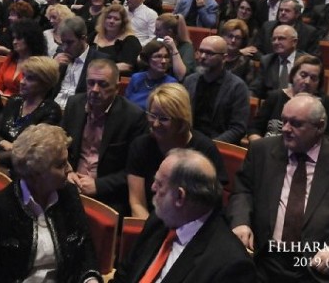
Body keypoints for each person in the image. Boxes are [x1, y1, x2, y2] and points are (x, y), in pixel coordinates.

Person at [228, 95, 329, 282]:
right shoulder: (262, 150)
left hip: (319, 269)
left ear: (320, 126)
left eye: (296, 123)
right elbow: (243, 191)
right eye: (284, 121)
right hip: (263, 260)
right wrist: (240, 221)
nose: (285, 129)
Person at [0, 124, 103, 282]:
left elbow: (84, 247)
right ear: (35, 175)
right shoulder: (1, 208)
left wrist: (90, 279)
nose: (69, 169)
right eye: (60, 165)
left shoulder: (68, 194)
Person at [112, 149, 255, 283]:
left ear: (180, 197)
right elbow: (123, 277)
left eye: (160, 184)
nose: (153, 187)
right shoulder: (158, 221)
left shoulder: (231, 265)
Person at [126, 83, 227, 219]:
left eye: (164, 118)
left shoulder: (204, 149)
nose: (155, 124)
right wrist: (150, 234)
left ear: (181, 120)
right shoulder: (141, 146)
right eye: (152, 115)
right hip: (150, 221)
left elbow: (210, 207)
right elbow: (137, 203)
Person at [62, 58, 146, 215]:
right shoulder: (74, 104)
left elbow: (135, 171)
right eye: (90, 82)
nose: (94, 89)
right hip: (69, 183)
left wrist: (98, 185)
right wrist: (67, 171)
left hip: (108, 194)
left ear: (116, 88)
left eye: (103, 84)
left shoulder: (133, 117)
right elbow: (59, 147)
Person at [0, 56, 62, 167]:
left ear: (45, 84)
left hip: (23, 169)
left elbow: (31, 152)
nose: (22, 82)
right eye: (23, 76)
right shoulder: (15, 101)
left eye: (29, 78)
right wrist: (5, 144)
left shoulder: (50, 110)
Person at [248, 54, 329, 142]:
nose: (307, 81)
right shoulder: (275, 97)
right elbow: (254, 129)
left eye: (313, 78)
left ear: (319, 82)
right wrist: (261, 148)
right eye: (303, 75)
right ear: (293, 75)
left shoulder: (324, 103)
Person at [183, 35, 250, 144]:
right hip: (189, 141)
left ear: (224, 58)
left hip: (218, 146)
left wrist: (211, 145)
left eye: (209, 53)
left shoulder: (237, 87)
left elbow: (238, 129)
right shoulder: (190, 81)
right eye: (200, 51)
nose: (203, 56)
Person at [0, 18, 48, 98]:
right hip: (2, 99)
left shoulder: (40, 64)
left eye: (19, 38)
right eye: (14, 38)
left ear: (30, 39)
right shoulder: (11, 57)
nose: (14, 42)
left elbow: (34, 94)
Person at [124, 40, 179, 110]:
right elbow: (125, 104)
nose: (164, 61)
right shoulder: (136, 78)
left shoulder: (171, 83)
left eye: (166, 57)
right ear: (147, 59)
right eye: (158, 56)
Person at [92, 3, 141, 74]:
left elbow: (126, 66)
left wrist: (100, 71)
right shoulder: (95, 35)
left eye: (116, 19)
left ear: (123, 23)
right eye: (109, 17)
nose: (111, 21)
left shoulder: (130, 40)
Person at [154, 13, 194, 80]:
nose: (154, 32)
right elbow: (142, 62)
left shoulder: (187, 48)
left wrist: (173, 49)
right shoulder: (157, 41)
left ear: (169, 32)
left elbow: (181, 76)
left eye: (158, 30)